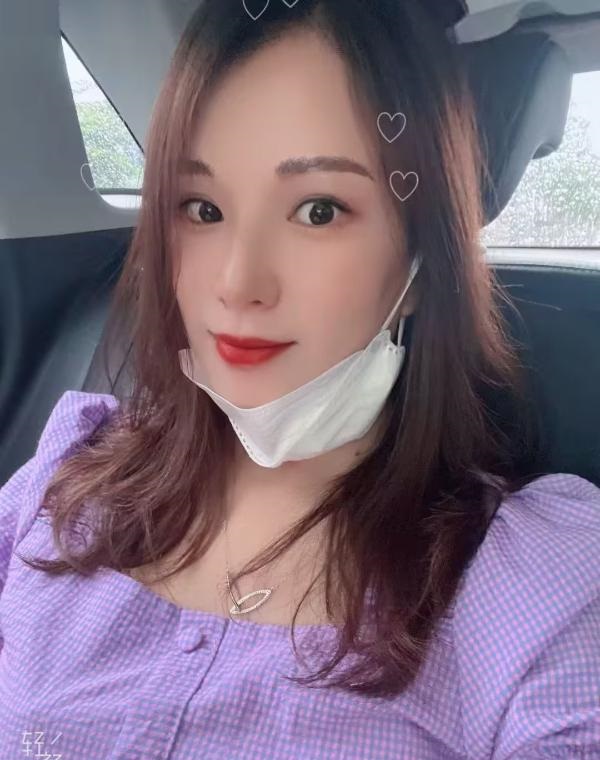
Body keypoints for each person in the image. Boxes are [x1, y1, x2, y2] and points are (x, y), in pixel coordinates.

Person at [1, 1, 599, 757]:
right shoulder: (64, 479)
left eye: (319, 210)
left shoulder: (539, 583)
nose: (237, 282)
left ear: (422, 262)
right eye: (202, 208)